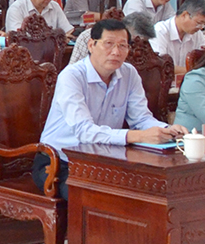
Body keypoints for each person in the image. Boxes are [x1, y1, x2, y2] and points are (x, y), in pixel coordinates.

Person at [38, 19, 186, 198]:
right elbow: (84, 131)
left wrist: (167, 130)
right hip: (58, 161)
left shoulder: (129, 73)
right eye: (108, 44)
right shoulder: (71, 76)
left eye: (122, 46)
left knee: (147, 190)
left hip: (104, 160)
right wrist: (138, 136)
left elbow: (141, 119)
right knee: (94, 198)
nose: (116, 52)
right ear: (91, 45)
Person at [150, 0, 205, 72]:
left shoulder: (197, 34)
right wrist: (192, 73)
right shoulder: (160, 31)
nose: (201, 27)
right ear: (184, 15)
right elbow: (161, 65)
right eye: (199, 23)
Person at [71, 12, 156, 63]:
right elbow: (74, 69)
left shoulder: (129, 72)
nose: (138, 46)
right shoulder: (88, 36)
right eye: (135, 40)